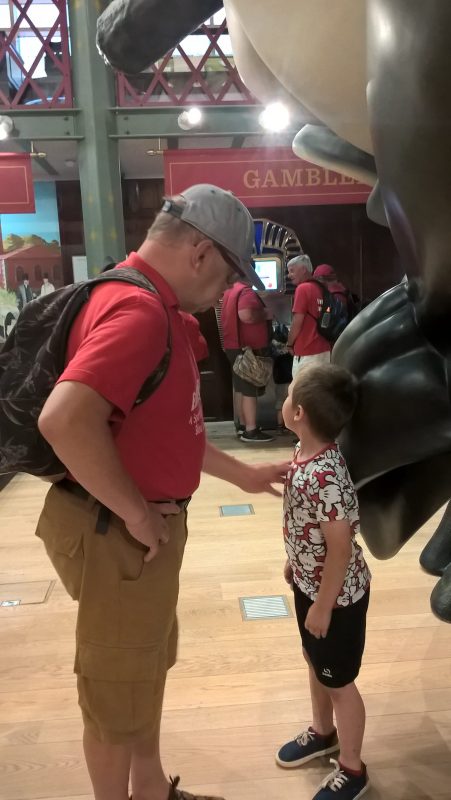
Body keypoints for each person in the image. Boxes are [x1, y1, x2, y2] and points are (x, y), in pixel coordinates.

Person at [35, 183, 289, 800]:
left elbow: (172, 431)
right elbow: (64, 420)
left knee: (142, 668)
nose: (228, 290)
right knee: (116, 689)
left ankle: (149, 788)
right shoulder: (141, 312)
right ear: (201, 252)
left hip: (132, 529)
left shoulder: (150, 305)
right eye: (230, 273)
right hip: (119, 533)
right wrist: (140, 516)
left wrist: (246, 475)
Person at [277, 363, 371, 800]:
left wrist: (323, 604)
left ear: (298, 413)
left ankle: (352, 769)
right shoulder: (304, 457)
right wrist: (296, 566)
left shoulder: (326, 475)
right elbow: (308, 529)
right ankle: (323, 732)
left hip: (337, 598)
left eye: (288, 394)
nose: (284, 400)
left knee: (338, 680)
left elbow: (341, 547)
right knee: (315, 660)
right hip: (312, 587)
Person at [221, 280, 274, 443]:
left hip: (234, 346)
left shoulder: (230, 290)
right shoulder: (246, 292)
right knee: (249, 389)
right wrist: (266, 314)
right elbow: (247, 315)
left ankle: (242, 426)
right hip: (247, 349)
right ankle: (251, 430)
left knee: (240, 388)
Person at [286, 255, 332, 377]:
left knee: (301, 392)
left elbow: (297, 321)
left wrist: (289, 344)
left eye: (292, 270)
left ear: (303, 269)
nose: (289, 275)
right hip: (324, 349)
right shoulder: (322, 288)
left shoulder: (303, 288)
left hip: (306, 351)